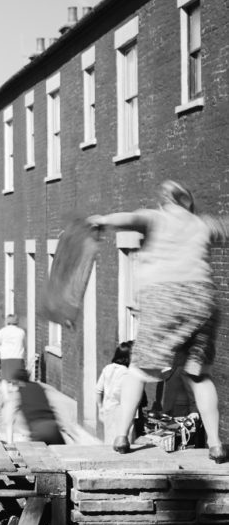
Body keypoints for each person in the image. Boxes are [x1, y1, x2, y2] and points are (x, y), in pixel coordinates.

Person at [88, 180, 229, 462]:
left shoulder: (157, 218)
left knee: (139, 371)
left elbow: (129, 218)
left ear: (165, 201)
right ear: (188, 202)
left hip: (164, 297)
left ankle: (121, 436)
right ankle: (215, 443)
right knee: (198, 375)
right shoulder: (202, 224)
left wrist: (103, 221)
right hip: (202, 300)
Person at [96, 341, 134, 444]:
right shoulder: (127, 372)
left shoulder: (107, 368)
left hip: (108, 408)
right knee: (123, 440)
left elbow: (98, 390)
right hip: (121, 411)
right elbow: (121, 394)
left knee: (109, 440)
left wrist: (100, 408)